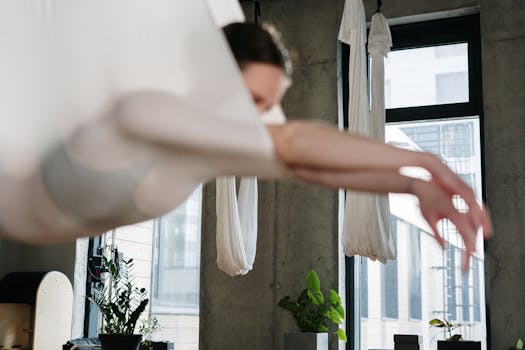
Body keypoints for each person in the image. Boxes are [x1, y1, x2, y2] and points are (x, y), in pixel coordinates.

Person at [0, 22, 491, 268]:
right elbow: (294, 141)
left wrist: (411, 185)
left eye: (265, 106)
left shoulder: (209, 149)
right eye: (250, 97)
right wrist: (426, 162)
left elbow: (316, 169)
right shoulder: (143, 110)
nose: (256, 116)